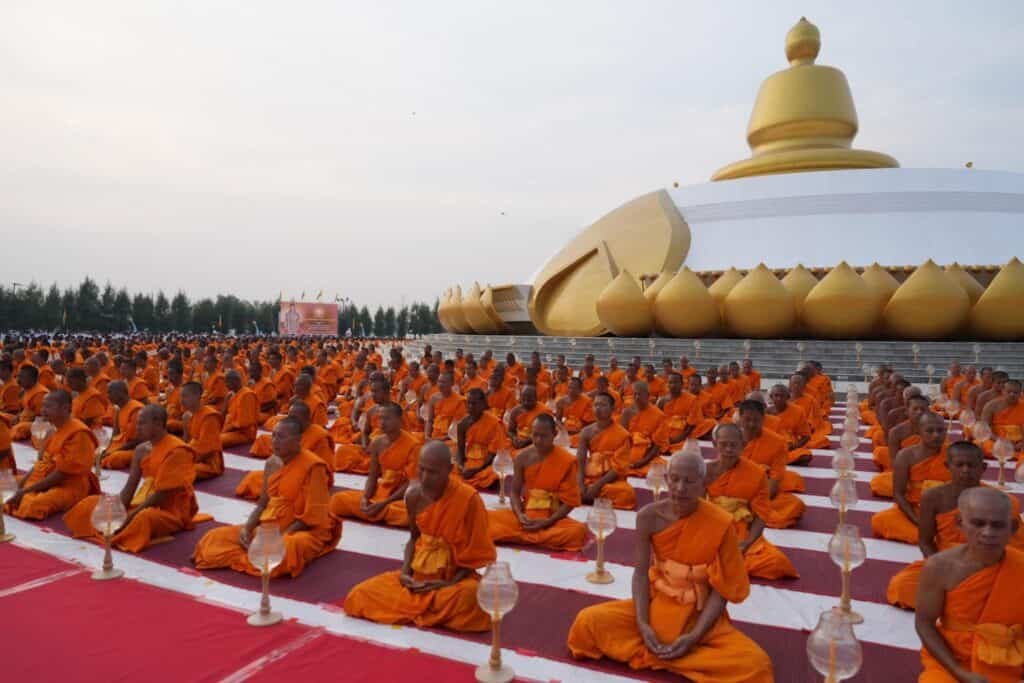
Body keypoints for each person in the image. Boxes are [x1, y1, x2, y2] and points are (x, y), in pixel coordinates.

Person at [567, 451, 774, 682]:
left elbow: (722, 590)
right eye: (674, 479)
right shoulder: (648, 517)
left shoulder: (721, 523)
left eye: (689, 481)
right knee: (586, 624)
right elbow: (640, 575)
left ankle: (674, 651)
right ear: (666, 480)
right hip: (657, 606)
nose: (680, 487)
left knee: (758, 666)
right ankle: (676, 655)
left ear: (704, 484)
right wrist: (643, 623)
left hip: (698, 615)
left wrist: (694, 636)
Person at [344, 441, 498, 631]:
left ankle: (420, 607)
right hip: (417, 578)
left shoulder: (469, 500)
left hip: (452, 580)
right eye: (421, 469)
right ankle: (430, 610)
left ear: (449, 470)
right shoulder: (413, 495)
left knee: (473, 596)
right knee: (357, 596)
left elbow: (475, 555)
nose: (424, 478)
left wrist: (445, 583)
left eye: (432, 472)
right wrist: (405, 573)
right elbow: (413, 539)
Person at [193, 416, 341, 577]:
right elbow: (263, 504)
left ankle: (251, 556)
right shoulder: (272, 463)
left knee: (288, 547)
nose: (275, 441)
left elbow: (313, 515)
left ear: (299, 440)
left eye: (281, 437)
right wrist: (248, 528)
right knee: (213, 537)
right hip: (270, 527)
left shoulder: (314, 466)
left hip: (303, 532)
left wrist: (280, 536)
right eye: (274, 435)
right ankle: (253, 556)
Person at [887, 441, 1024, 609]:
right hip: (947, 559)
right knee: (902, 586)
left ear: (983, 468)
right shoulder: (933, 497)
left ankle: (963, 602)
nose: (965, 470)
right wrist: (941, 568)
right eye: (959, 465)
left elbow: (1015, 545)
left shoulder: (1000, 501)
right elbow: (925, 541)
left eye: (971, 465)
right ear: (948, 466)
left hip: (989, 562)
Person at [915, 487, 1024, 683]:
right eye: (978, 523)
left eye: (998, 525)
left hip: (1007, 656)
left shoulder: (1021, 566)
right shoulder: (939, 566)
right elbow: (925, 624)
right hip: (953, 657)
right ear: (959, 523)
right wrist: (960, 672)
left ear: (1013, 529)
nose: (988, 532)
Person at [64, 405, 199, 552]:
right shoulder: (141, 450)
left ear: (158, 423)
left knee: (143, 518)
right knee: (93, 503)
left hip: (172, 510)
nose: (137, 427)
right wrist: (118, 509)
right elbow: (131, 485)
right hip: (144, 499)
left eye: (142, 423)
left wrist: (129, 517)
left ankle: (119, 534)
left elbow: (162, 494)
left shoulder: (177, 450)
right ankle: (112, 528)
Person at [707, 423, 799, 580]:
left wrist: (748, 542)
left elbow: (761, 514)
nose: (728, 449)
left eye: (733, 445)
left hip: (739, 530)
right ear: (715, 444)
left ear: (743, 445)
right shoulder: (704, 471)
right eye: (723, 444)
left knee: (777, 563)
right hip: (709, 527)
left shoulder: (756, 474)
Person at [487, 413, 587, 551]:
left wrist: (547, 522)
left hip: (553, 518)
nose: (538, 440)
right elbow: (515, 493)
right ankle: (533, 536)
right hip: (526, 514)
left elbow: (570, 502)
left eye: (544, 436)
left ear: (554, 434)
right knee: (486, 518)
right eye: (535, 435)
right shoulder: (522, 457)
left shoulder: (567, 460)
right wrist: (520, 515)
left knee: (578, 531)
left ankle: (519, 536)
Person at [5, 390, 99, 519]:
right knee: (5, 487)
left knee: (32, 505)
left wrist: (26, 491)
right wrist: (22, 486)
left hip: (69, 485)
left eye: (48, 406)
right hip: (45, 477)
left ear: (65, 408)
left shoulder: (79, 433)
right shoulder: (53, 429)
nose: (43, 410)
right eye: (43, 406)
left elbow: (62, 473)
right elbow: (42, 462)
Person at [329, 403, 418, 527]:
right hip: (381, 491)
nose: (382, 422)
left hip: (401, 496)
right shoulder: (377, 442)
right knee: (337, 501)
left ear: (399, 420)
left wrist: (384, 503)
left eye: (387, 418)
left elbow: (412, 483)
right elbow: (373, 476)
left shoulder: (413, 445)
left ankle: (380, 511)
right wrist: (365, 498)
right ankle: (378, 512)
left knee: (413, 514)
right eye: (380, 418)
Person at [871, 412, 952, 544]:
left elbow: (963, 490)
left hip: (946, 508)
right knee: (879, 520)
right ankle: (941, 538)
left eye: (940, 430)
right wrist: (918, 521)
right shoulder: (906, 456)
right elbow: (898, 494)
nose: (936, 435)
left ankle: (942, 537)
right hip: (917, 508)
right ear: (919, 432)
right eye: (930, 431)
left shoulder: (953, 454)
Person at [236, 401, 333, 499]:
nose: (291, 420)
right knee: (253, 477)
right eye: (289, 416)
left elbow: (323, 469)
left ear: (308, 419)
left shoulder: (320, 437)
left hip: (307, 478)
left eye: (295, 418)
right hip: (286, 472)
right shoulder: (290, 430)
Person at [737, 399, 806, 529]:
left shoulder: (777, 442)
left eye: (756, 420)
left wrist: (754, 502)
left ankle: (746, 512)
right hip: (733, 490)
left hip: (761, 491)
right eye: (747, 419)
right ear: (740, 418)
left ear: (763, 419)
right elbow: (722, 471)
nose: (751, 424)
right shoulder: (730, 438)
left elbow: (774, 480)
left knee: (796, 505)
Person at [576, 392, 635, 510]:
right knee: (565, 485)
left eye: (603, 405)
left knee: (627, 494)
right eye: (596, 405)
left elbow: (619, 468)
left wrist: (596, 487)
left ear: (612, 408)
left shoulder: (622, 434)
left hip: (611, 480)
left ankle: (588, 496)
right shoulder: (586, 432)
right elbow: (580, 462)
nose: (598, 408)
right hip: (590, 476)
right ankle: (588, 495)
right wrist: (581, 485)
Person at [871, 395, 932, 495]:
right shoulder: (897, 432)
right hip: (906, 474)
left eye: (923, 409)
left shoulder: (935, 429)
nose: (919, 412)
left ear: (929, 412)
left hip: (930, 475)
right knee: (877, 482)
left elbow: (943, 458)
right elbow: (895, 463)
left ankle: (923, 492)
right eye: (915, 409)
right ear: (907, 411)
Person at [455, 387, 508, 490]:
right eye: (468, 403)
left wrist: (476, 470)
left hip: (486, 463)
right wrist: (461, 467)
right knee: (449, 469)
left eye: (474, 404)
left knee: (493, 473)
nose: (470, 407)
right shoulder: (462, 424)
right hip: (469, 461)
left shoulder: (494, 423)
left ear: (483, 404)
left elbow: (494, 454)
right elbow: (460, 450)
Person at [658, 373, 716, 448]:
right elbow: (657, 421)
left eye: (675, 382)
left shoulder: (691, 399)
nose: (672, 385)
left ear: (682, 384)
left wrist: (679, 438)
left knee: (711, 422)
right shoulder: (662, 400)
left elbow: (692, 424)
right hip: (667, 429)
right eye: (670, 382)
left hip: (685, 429)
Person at [622, 381, 668, 476]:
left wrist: (643, 461)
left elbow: (657, 445)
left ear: (647, 395)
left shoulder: (659, 415)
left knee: (659, 468)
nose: (637, 397)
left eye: (640, 394)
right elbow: (622, 438)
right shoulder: (627, 412)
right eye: (634, 394)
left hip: (647, 453)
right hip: (628, 451)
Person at [180, 381, 224, 480]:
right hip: (194, 456)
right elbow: (187, 441)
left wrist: (186, 459)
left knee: (178, 470)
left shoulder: (209, 416)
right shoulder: (189, 415)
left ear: (196, 396)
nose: (181, 400)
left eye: (184, 396)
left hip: (209, 464)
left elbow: (207, 449)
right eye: (181, 397)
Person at [99, 381, 145, 470]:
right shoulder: (118, 409)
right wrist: (107, 449)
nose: (107, 396)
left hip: (137, 448)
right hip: (122, 445)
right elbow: (115, 435)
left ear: (121, 392)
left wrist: (115, 450)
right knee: (98, 455)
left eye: (110, 392)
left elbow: (138, 439)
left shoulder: (136, 409)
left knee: (113, 459)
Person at [765, 384, 813, 466]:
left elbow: (806, 436)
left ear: (788, 397)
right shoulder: (765, 413)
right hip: (769, 448)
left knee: (806, 455)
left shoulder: (798, 411)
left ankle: (776, 461)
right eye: (776, 395)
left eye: (782, 396)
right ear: (771, 397)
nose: (779, 398)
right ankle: (776, 460)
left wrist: (794, 447)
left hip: (789, 448)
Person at [979, 379, 1024, 459]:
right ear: (1003, 391)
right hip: (997, 440)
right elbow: (984, 430)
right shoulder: (991, 405)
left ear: (1020, 393)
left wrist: (1021, 443)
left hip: (1019, 442)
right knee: (982, 444)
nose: (1012, 395)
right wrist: (1001, 441)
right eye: (1009, 392)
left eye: (1015, 392)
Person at [505, 385, 552, 454]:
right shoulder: (515, 411)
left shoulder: (544, 411)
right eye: (523, 399)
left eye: (529, 400)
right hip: (518, 443)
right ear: (520, 398)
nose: (526, 402)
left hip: (536, 443)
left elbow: (548, 434)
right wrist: (514, 438)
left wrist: (527, 441)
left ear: (536, 398)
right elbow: (510, 430)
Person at [219, 370, 259, 448]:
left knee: (215, 441)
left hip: (244, 434)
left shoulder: (247, 395)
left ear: (235, 381)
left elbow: (243, 423)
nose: (226, 385)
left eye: (227, 382)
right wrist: (226, 401)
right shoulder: (233, 395)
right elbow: (226, 414)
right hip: (231, 429)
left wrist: (225, 430)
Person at [10, 364, 48, 441]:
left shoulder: (40, 394)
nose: (18, 380)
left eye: (22, 377)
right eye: (18, 376)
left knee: (18, 429)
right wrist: (18, 416)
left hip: (39, 425)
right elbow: (24, 409)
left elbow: (43, 419)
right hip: (24, 420)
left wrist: (23, 423)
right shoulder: (25, 390)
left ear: (32, 379)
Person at [424, 372, 466, 441]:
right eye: (439, 381)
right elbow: (430, 420)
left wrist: (441, 439)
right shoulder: (433, 398)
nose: (440, 385)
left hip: (450, 438)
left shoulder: (460, 401)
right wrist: (427, 436)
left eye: (443, 382)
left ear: (452, 383)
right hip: (434, 435)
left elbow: (458, 428)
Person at [556, 377, 595, 447]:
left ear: (580, 390)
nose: (571, 390)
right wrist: (563, 429)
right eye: (569, 387)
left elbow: (589, 422)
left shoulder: (587, 401)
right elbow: (558, 419)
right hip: (565, 429)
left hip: (581, 430)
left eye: (574, 388)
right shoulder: (561, 401)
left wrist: (578, 428)